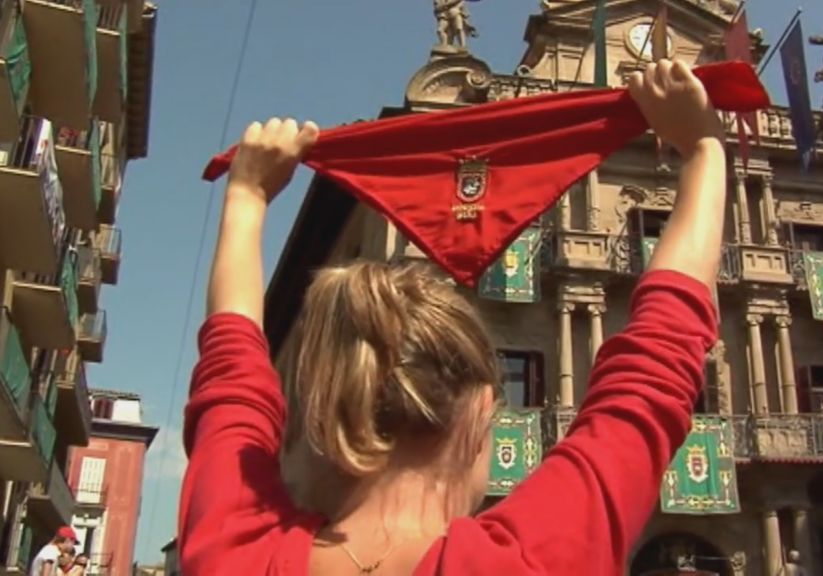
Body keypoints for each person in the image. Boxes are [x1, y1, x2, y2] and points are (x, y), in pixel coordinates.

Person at [178, 57, 725, 575]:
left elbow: (233, 376)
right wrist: (703, 149)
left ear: (318, 412)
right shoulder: (531, 560)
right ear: (483, 411)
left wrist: (247, 195)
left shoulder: (236, 553)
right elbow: (655, 365)